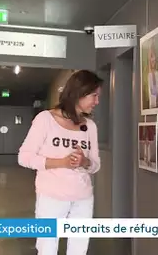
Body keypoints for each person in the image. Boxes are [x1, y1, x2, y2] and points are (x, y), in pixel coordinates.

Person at [18, 70, 102, 255]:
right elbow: (24, 157)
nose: (97, 101)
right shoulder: (45, 120)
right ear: (79, 93)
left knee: (79, 249)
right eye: (94, 96)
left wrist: (84, 161)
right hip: (51, 197)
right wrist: (62, 162)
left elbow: (95, 165)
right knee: (47, 248)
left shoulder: (90, 126)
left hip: (83, 198)